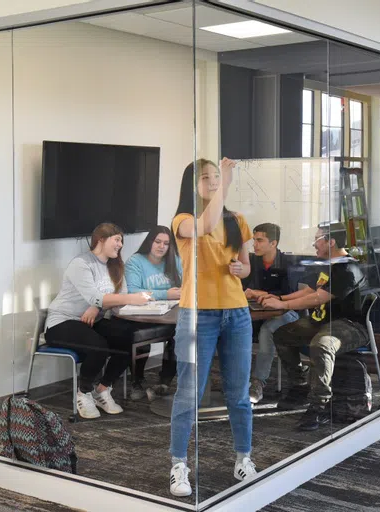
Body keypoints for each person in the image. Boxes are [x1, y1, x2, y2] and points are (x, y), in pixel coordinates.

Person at [168, 157, 257, 497]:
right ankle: (179, 464)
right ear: (192, 184)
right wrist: (228, 183)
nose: (214, 182)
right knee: (188, 394)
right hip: (196, 315)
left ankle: (244, 458)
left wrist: (240, 270)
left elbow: (246, 266)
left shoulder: (237, 221)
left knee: (239, 394)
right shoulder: (184, 220)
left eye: (217, 177)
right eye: (206, 178)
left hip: (236, 313)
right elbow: (205, 226)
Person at [261, 222, 369, 432]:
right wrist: (279, 297)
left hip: (350, 326)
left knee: (321, 344)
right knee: (283, 334)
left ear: (331, 241)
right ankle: (300, 384)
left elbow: (318, 298)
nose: (314, 245)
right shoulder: (326, 265)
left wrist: (283, 305)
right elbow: (309, 291)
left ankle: (319, 405)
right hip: (322, 322)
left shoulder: (348, 268)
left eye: (317, 240)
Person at [44, 223, 152, 420]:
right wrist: (101, 302)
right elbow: (105, 297)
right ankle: (83, 392)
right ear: (100, 239)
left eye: (121, 241)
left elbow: (116, 297)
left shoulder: (115, 266)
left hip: (91, 321)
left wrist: (97, 306)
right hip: (62, 323)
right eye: (116, 239)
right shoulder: (81, 264)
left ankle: (102, 390)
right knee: (99, 346)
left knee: (130, 337)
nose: (120, 244)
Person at [242, 223, 299, 404]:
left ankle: (258, 382)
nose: (255, 245)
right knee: (233, 325)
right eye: (254, 240)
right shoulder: (251, 261)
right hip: (257, 312)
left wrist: (258, 293)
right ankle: (235, 380)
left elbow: (289, 295)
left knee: (267, 331)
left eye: (260, 240)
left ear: (273, 243)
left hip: (288, 313)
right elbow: (243, 289)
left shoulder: (287, 263)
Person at [124, 226, 182, 400]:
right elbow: (133, 291)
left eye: (166, 243)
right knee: (141, 338)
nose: (161, 247)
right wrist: (166, 294)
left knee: (179, 335)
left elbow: (187, 285)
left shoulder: (175, 260)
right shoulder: (136, 261)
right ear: (150, 241)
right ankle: (137, 381)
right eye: (157, 242)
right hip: (143, 315)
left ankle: (164, 382)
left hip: (171, 314)